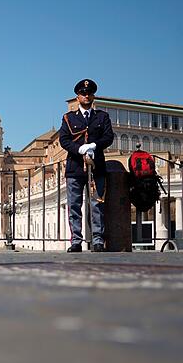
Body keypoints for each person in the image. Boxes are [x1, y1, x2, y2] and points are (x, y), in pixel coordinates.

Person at [58, 79, 115, 252]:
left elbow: (109, 137)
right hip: (75, 167)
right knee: (74, 205)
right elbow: (64, 140)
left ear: (93, 96)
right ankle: (76, 241)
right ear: (78, 97)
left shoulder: (102, 117)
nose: (86, 96)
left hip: (96, 167)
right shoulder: (68, 118)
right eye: (83, 93)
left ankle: (98, 240)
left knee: (97, 204)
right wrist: (79, 149)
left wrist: (94, 145)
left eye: (89, 93)